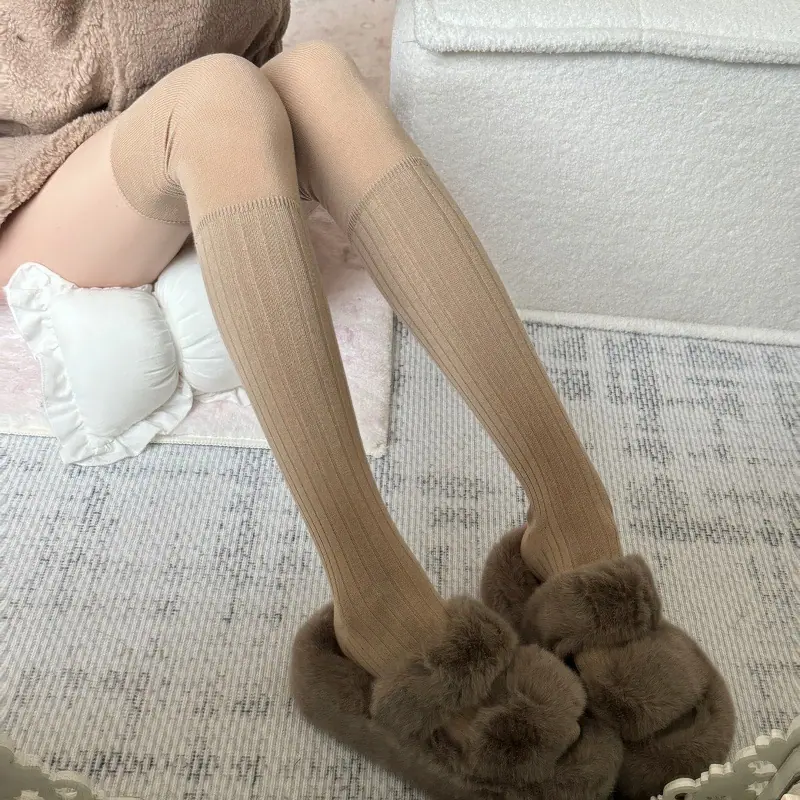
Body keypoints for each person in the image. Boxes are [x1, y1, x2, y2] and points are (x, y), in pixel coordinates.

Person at [0, 2, 734, 796]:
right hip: (40, 162)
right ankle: (375, 605)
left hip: (189, 110)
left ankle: (573, 523)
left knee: (316, 76)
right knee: (217, 99)